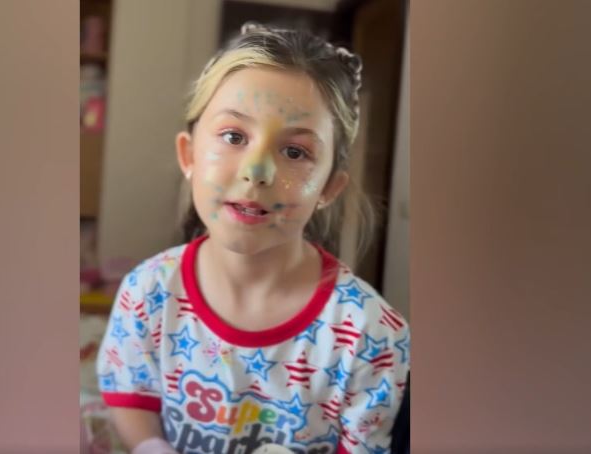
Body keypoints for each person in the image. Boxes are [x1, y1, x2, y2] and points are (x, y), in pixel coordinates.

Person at [96, 22, 410, 454]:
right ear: (189, 155)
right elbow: (130, 396)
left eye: (295, 152)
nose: (257, 171)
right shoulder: (146, 293)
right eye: (234, 136)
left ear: (329, 188)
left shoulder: (370, 335)